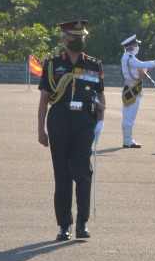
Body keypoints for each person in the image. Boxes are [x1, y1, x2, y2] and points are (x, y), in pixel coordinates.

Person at [37, 20, 105, 241]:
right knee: (62, 176)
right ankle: (64, 225)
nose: (80, 41)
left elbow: (100, 95)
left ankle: (82, 223)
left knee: (82, 173)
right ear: (64, 39)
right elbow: (44, 99)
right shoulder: (52, 64)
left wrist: (101, 122)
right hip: (59, 121)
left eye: (83, 37)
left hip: (84, 121)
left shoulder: (94, 64)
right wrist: (41, 130)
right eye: (76, 37)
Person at [118, 34, 155, 149]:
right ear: (130, 46)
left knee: (127, 117)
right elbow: (141, 64)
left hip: (132, 88)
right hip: (132, 90)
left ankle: (127, 140)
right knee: (129, 117)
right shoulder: (129, 57)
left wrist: (142, 69)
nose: (137, 46)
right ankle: (128, 141)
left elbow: (139, 66)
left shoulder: (128, 57)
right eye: (135, 45)